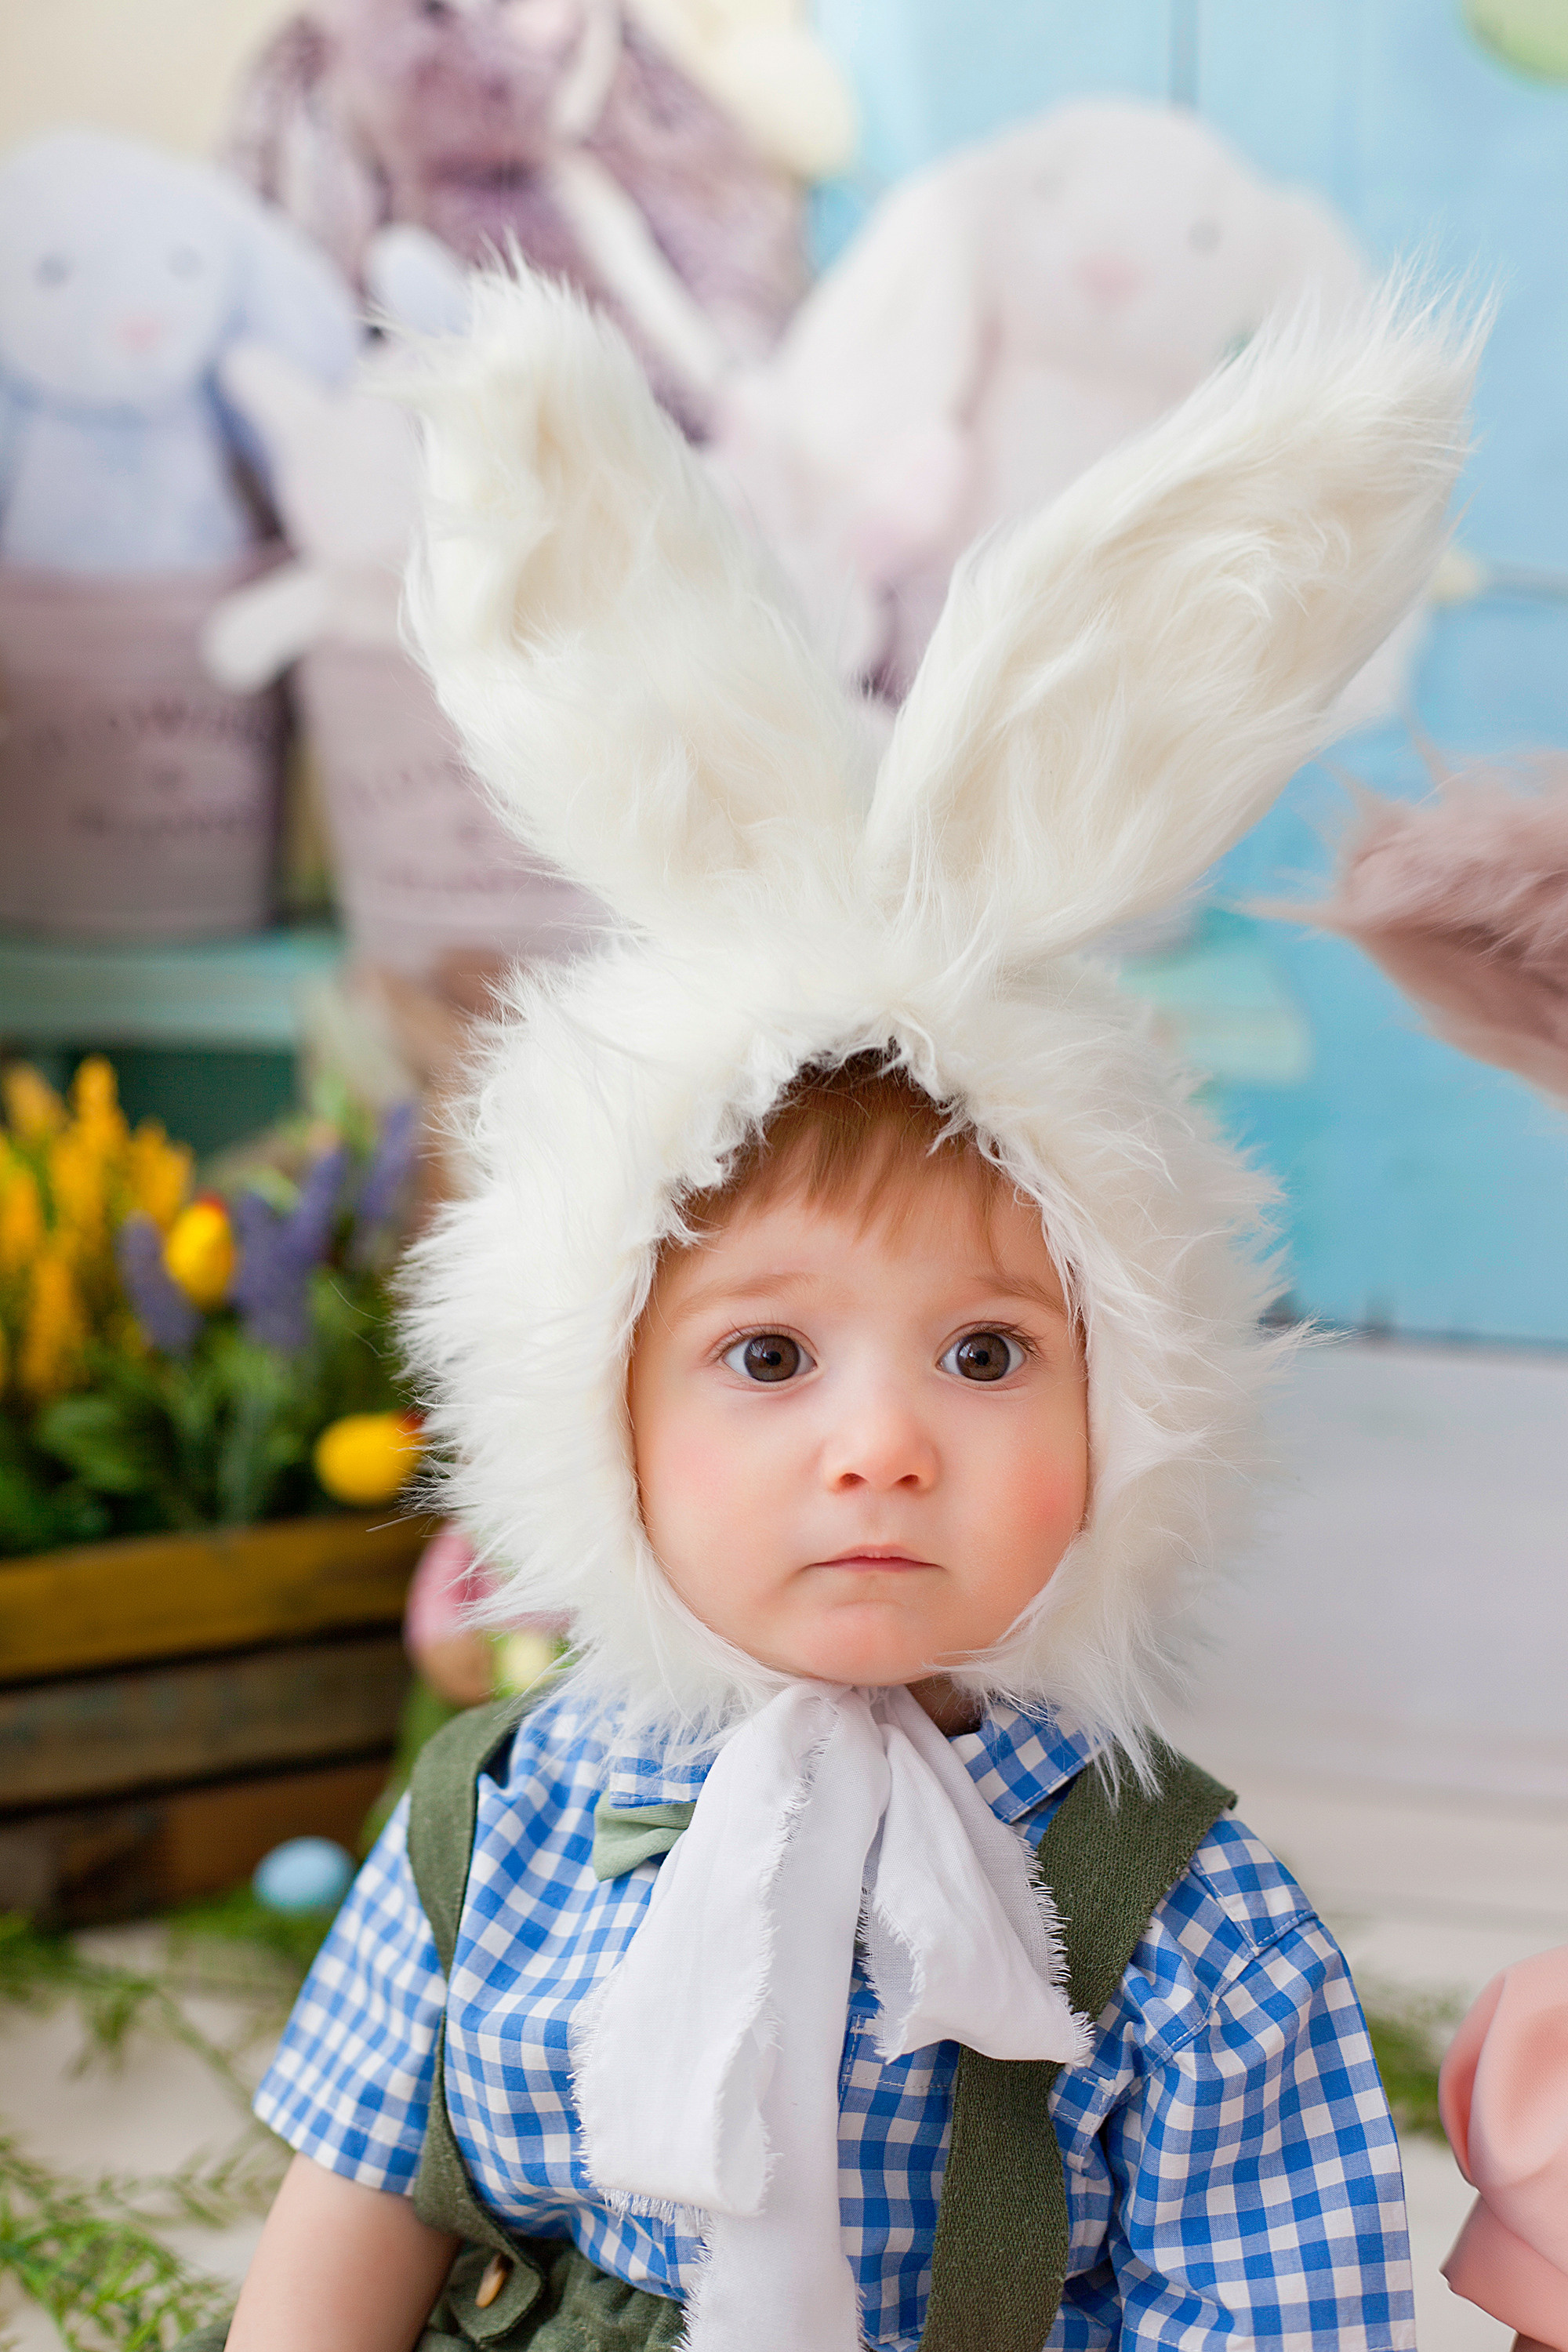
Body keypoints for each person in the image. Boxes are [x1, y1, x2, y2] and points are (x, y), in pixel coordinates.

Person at [201, 264, 1479, 2351]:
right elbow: (362, 2205)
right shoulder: (501, 1833)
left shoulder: (1180, 1924)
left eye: (986, 1355)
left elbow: (1267, 2307)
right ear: (595, 1410)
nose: (880, 1446)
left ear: (1134, 1406)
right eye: (768, 1357)